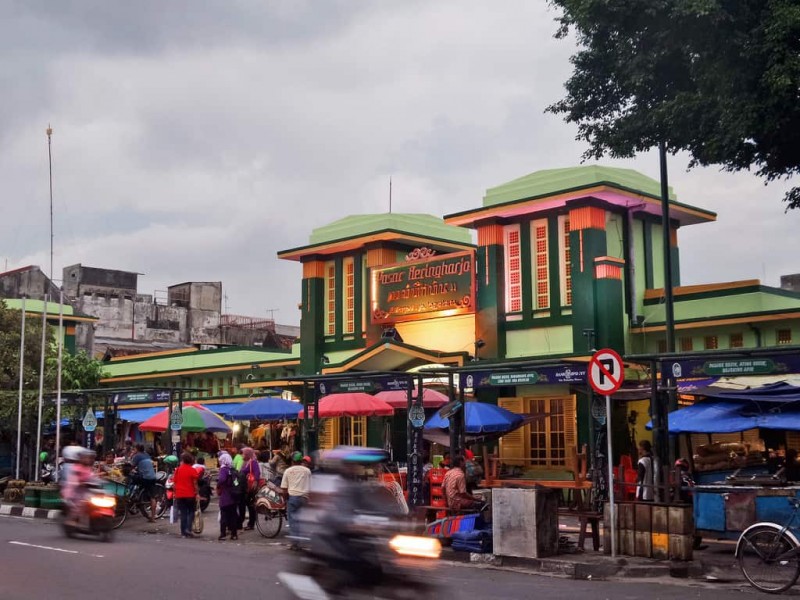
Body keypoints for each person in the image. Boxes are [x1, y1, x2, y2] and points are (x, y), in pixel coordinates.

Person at [281, 451, 312, 550]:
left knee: (293, 521)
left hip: (293, 498)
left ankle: (295, 544)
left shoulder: (288, 471)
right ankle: (303, 540)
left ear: (292, 460)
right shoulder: (307, 471)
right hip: (304, 498)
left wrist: (285, 500)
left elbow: (284, 489)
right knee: (302, 520)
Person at [61, 447, 96, 525]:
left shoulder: (87, 468)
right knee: (79, 505)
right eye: (85, 457)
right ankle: (71, 520)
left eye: (89, 458)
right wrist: (80, 483)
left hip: (84, 492)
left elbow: (91, 476)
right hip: (74, 492)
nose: (88, 459)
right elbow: (72, 481)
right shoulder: (75, 468)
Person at [173, 451, 200, 538]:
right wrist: (197, 493)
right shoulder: (192, 470)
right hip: (190, 494)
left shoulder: (178, 470)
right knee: (191, 511)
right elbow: (195, 483)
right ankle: (188, 529)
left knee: (183, 513)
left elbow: (174, 483)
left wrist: (175, 493)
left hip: (179, 494)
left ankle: (183, 532)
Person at [130, 444, 158, 521]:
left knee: (132, 480)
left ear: (137, 449)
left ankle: (134, 497)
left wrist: (132, 456)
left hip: (145, 478)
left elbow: (131, 466)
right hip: (152, 477)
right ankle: (153, 517)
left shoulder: (137, 456)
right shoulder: (147, 455)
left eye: (134, 449)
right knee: (153, 497)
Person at [216, 453, 239, 540]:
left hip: (225, 495)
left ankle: (223, 534)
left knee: (224, 515)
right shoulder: (232, 469)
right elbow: (236, 482)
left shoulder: (223, 469)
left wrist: (218, 485)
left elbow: (222, 479)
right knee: (233, 515)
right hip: (233, 495)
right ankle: (234, 534)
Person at [240, 447, 261, 530]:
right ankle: (250, 523)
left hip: (251, 487)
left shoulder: (253, 462)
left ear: (248, 454)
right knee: (249, 504)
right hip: (247, 486)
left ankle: (251, 523)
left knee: (250, 505)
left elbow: (257, 472)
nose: (242, 455)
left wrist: (255, 482)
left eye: (243, 453)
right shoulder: (247, 462)